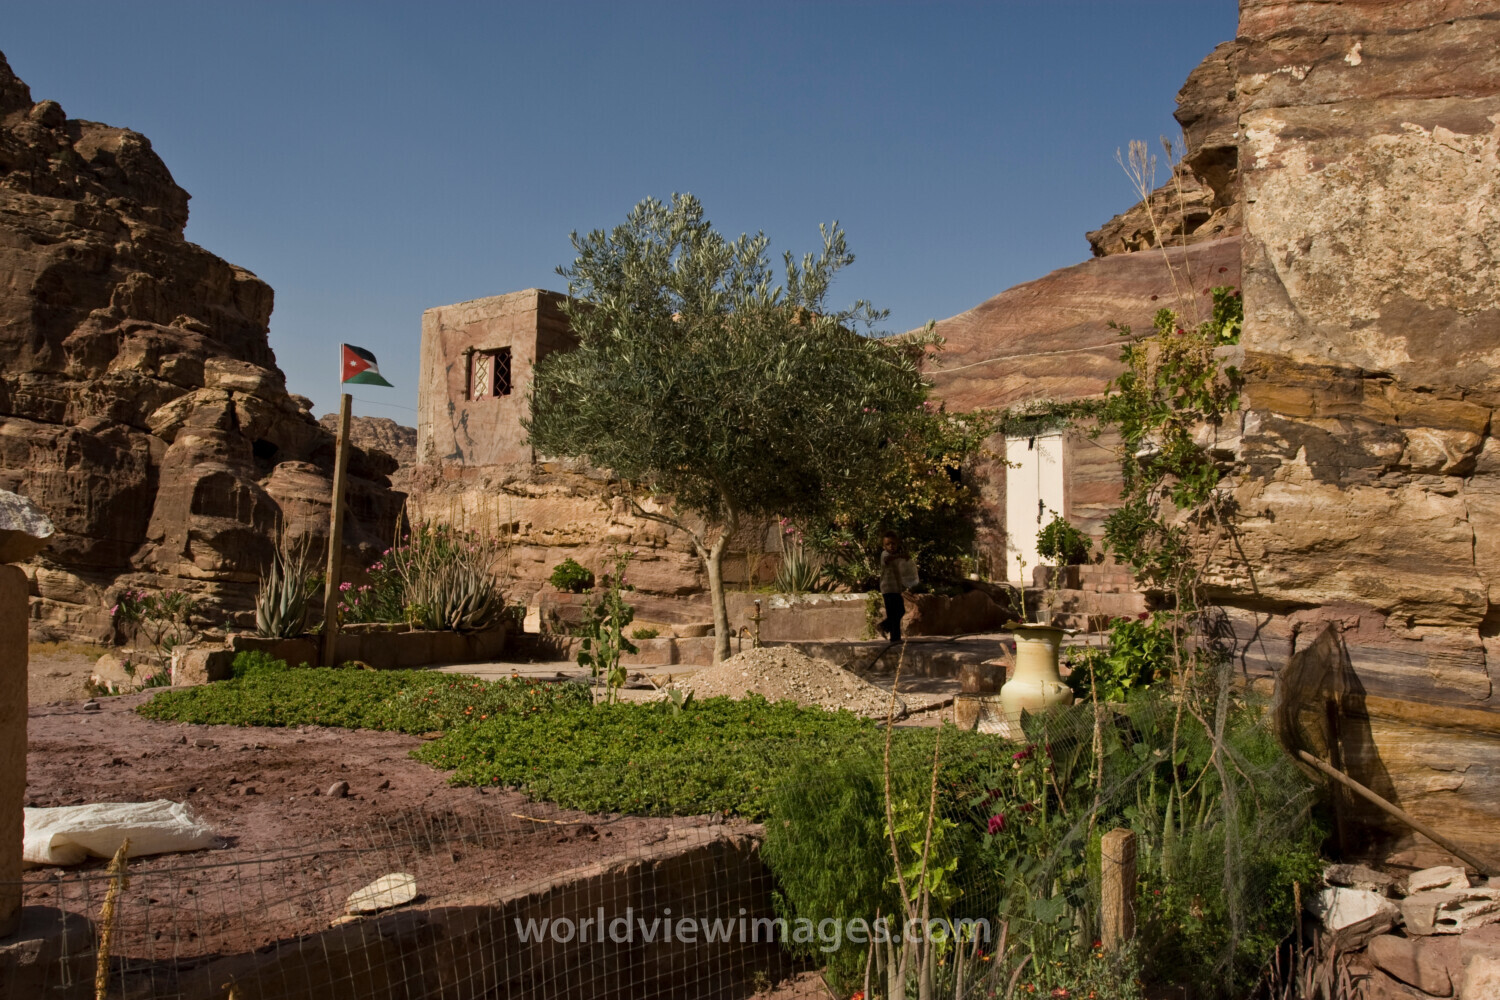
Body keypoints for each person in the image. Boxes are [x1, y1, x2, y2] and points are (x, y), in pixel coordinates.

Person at [877, 532, 915, 643]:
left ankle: (885, 627)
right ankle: (894, 637)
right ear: (884, 546)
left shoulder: (897, 557)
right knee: (892, 613)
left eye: (893, 544)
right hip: (887, 588)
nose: (891, 546)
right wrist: (901, 556)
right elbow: (888, 559)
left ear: (897, 544)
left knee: (900, 611)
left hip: (896, 589)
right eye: (888, 544)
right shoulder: (884, 554)